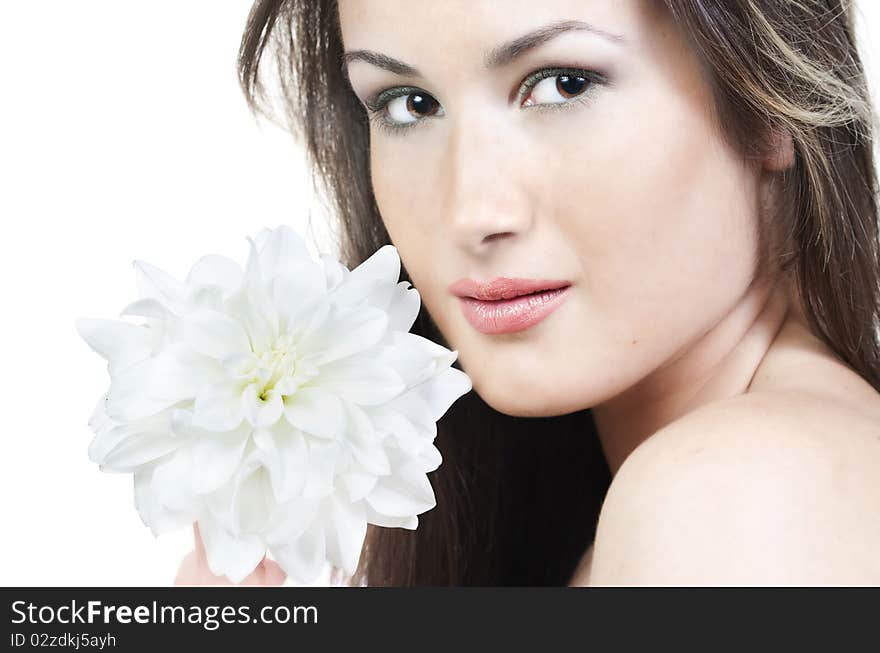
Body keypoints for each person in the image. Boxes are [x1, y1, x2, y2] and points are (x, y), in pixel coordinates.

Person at [177, 0, 880, 585]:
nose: (470, 211)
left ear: (768, 105)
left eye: (563, 84)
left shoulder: (737, 494)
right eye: (409, 103)